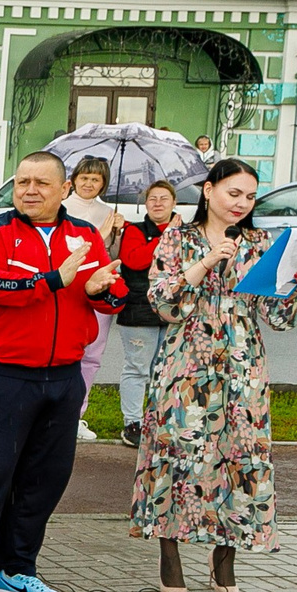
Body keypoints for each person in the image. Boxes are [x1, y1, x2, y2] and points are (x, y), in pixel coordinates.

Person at [0, 150, 124, 592]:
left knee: (45, 480)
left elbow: (114, 298)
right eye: (23, 181)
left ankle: (16, 570)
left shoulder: (84, 234)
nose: (29, 189)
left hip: (65, 376)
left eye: (41, 183)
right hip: (5, 374)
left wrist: (100, 287)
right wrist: (54, 279)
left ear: (64, 189)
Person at [130, 158, 297, 592]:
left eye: (250, 197)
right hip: (185, 365)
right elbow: (164, 303)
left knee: (239, 457)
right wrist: (209, 260)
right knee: (176, 456)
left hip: (242, 366)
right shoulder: (178, 238)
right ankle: (169, 557)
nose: (242, 204)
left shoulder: (260, 242)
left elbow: (277, 316)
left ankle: (225, 558)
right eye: (234, 193)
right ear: (209, 191)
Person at [114, 180, 178, 446]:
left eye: (164, 198)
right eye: (152, 199)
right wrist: (166, 238)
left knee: (166, 370)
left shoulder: (186, 232)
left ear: (174, 203)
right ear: (145, 204)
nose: (158, 203)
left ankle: (160, 420)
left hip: (174, 309)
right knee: (138, 368)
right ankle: (133, 423)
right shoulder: (135, 230)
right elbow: (134, 260)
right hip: (139, 310)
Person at [61, 155, 119, 434]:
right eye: (84, 177)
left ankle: (76, 415)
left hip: (98, 292)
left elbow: (114, 258)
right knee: (66, 352)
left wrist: (116, 234)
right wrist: (99, 234)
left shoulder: (108, 212)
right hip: (69, 292)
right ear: (73, 180)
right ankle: (58, 412)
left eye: (95, 179)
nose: (89, 183)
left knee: (92, 355)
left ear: (103, 184)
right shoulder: (61, 208)